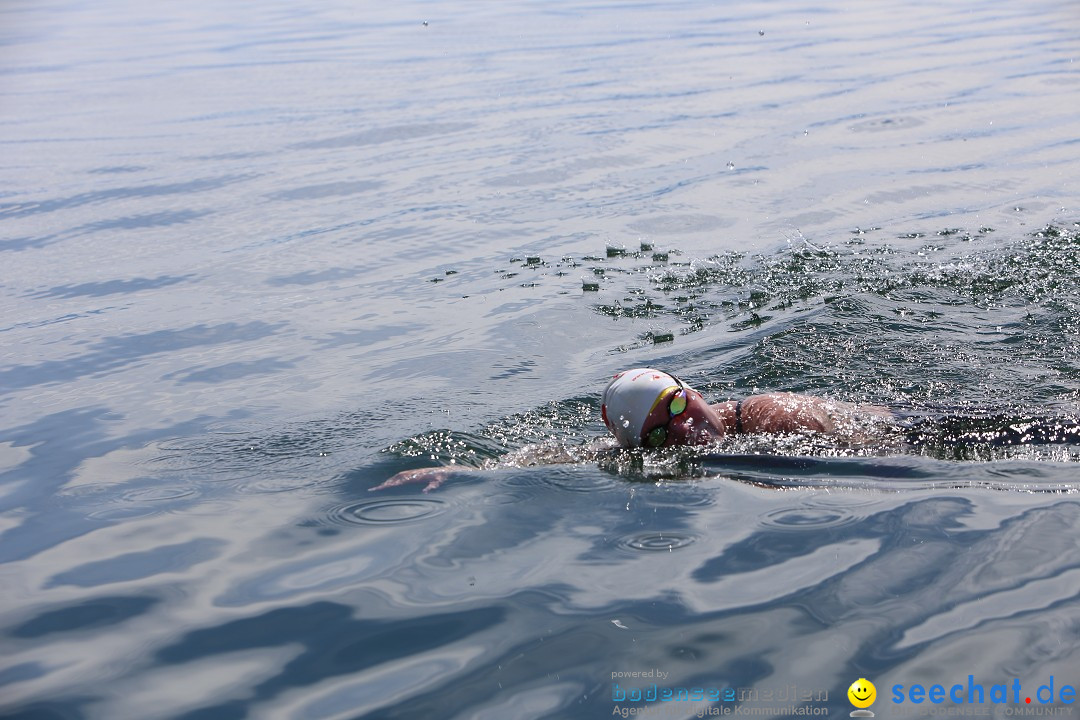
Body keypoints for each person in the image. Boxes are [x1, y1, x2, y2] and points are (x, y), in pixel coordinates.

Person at [372, 367, 890, 492]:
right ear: (646, 446)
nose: (686, 427)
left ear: (691, 388)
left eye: (678, 403)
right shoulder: (644, 450)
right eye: (663, 433)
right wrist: (460, 469)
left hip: (923, 428)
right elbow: (564, 455)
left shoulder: (770, 416)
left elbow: (874, 460)